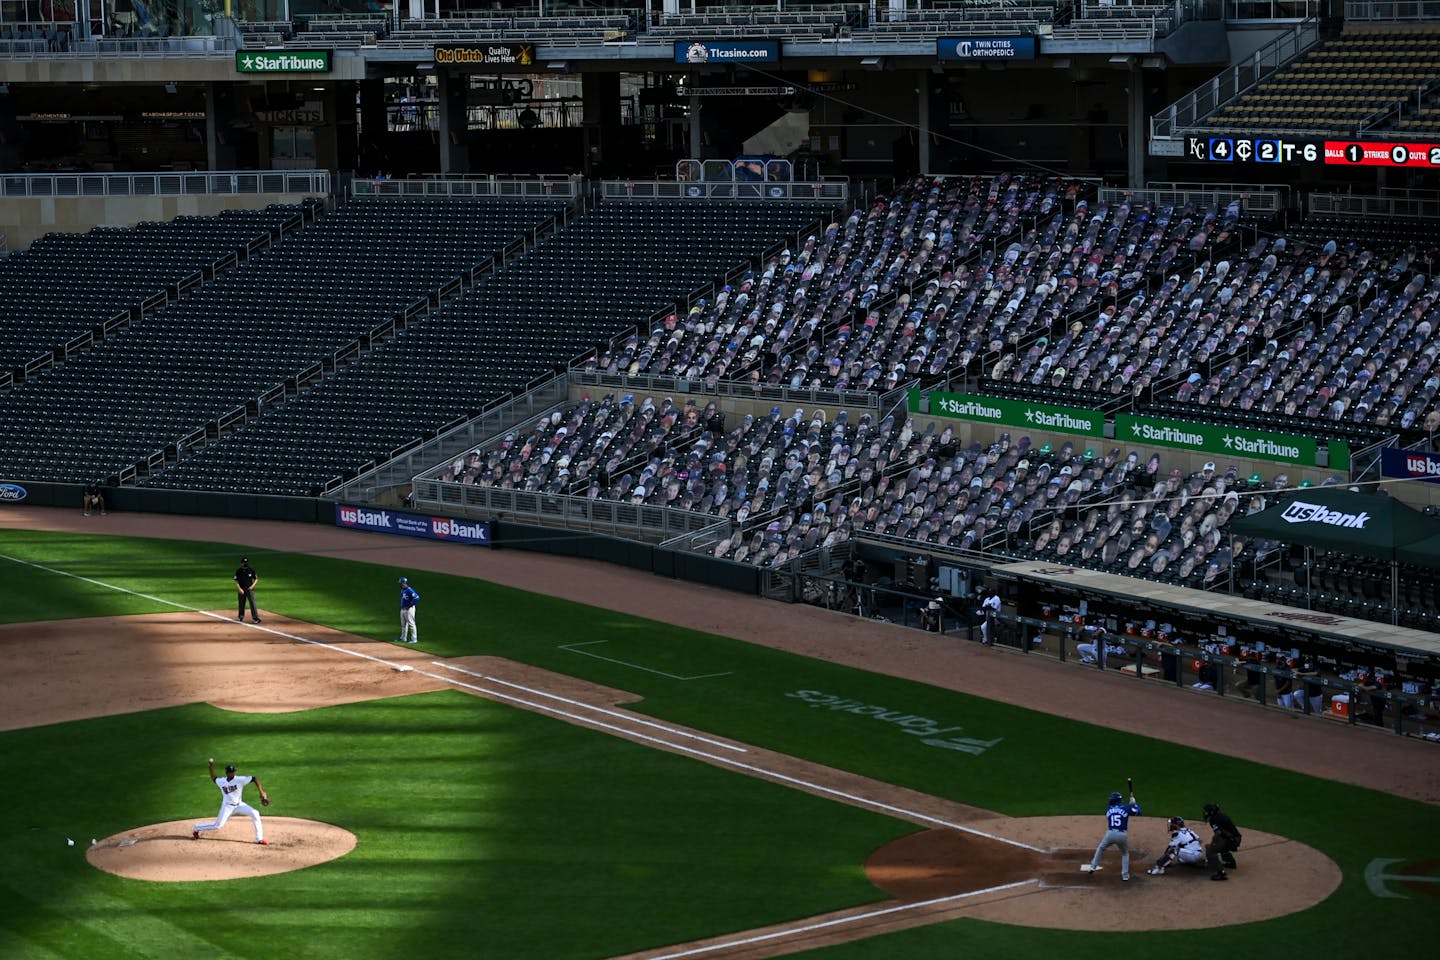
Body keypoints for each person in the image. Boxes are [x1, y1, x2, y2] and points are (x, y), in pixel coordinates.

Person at [193, 758, 270, 845]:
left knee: (255, 813)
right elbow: (214, 778)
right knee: (218, 826)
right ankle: (197, 827)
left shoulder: (240, 779)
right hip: (227, 806)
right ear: (227, 773)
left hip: (239, 805)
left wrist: (261, 791)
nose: (232, 773)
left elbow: (254, 778)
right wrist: (210, 767)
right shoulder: (222, 781)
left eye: (233, 771)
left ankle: (259, 838)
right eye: (230, 772)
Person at [1087, 789, 1143, 881]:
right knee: (1125, 853)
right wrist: (1134, 804)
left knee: (1101, 848)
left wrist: (1130, 806)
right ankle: (1125, 875)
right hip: (1122, 835)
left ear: (1113, 800)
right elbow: (1139, 812)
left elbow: (1117, 811)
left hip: (1110, 834)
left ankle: (1093, 867)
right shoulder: (1126, 808)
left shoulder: (1108, 809)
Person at [1202, 801, 1242, 880]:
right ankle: (1230, 862)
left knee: (1210, 850)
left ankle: (1221, 873)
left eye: (1206, 811)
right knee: (1220, 845)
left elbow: (1218, 833)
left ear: (1211, 812)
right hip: (1235, 838)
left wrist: (1212, 843)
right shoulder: (1221, 815)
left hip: (1231, 840)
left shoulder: (1213, 819)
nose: (1205, 813)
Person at [234, 557, 260, 623]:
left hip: (250, 590)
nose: (245, 564)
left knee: (252, 603)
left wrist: (252, 586)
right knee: (241, 604)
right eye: (244, 562)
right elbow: (236, 580)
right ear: (241, 563)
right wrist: (239, 589)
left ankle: (256, 618)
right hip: (242, 590)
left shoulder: (251, 570)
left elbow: (256, 579)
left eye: (246, 562)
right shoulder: (238, 571)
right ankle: (241, 617)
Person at [398, 576, 420, 644]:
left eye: (401, 583)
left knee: (411, 624)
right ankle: (403, 638)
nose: (400, 584)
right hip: (403, 609)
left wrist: (410, 605)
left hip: (409, 610)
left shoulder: (409, 590)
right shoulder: (403, 590)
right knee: (403, 625)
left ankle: (414, 639)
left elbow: (417, 598)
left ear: (404, 583)